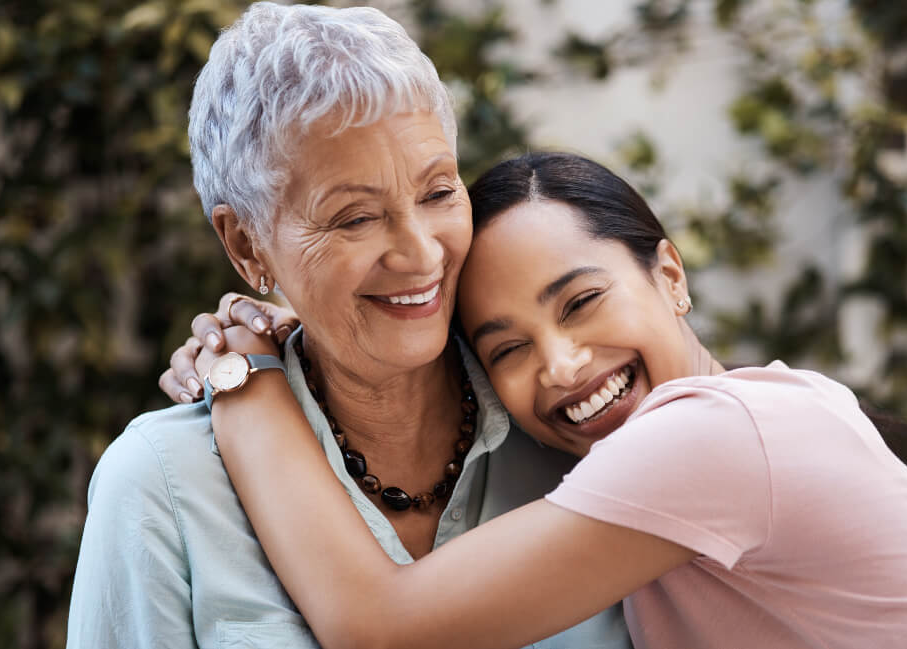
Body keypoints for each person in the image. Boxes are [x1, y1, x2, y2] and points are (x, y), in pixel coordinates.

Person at [169, 153, 907, 649]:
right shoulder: (730, 434)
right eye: (508, 349)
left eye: (581, 302)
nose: (562, 365)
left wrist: (246, 376)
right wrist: (312, 323)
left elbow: (378, 627)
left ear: (669, 273)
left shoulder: (713, 438)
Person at [65, 5, 629, 648]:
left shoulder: (573, 418)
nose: (421, 255)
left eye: (438, 193)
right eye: (355, 218)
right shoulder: (163, 486)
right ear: (246, 245)